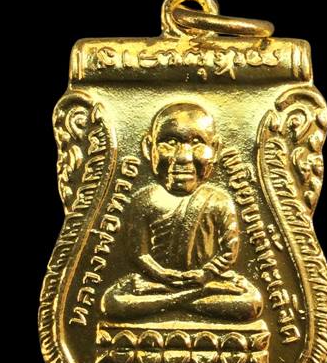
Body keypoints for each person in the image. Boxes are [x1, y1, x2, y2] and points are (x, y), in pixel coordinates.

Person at [101, 102, 262, 322]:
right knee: (113, 303)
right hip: (157, 282)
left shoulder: (218, 200)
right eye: (170, 143)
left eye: (197, 143)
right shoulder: (144, 199)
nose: (183, 157)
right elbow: (139, 254)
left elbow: (229, 250)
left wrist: (206, 274)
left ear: (215, 149)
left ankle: (176, 299)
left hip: (203, 280)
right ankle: (192, 297)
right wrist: (161, 275)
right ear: (148, 148)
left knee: (250, 303)